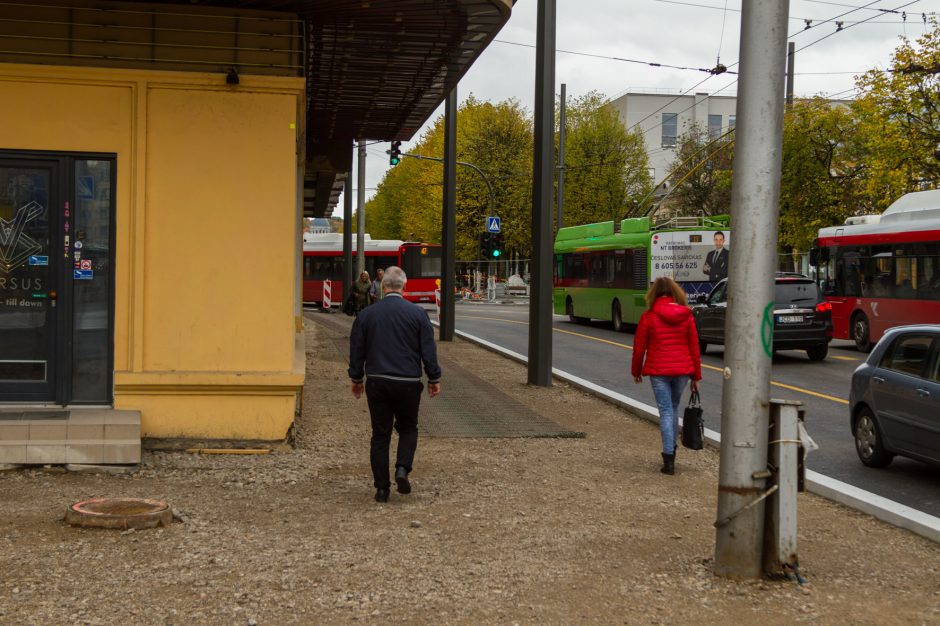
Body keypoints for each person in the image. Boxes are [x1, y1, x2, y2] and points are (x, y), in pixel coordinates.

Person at [348, 266, 442, 502]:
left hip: (378, 380)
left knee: (380, 434)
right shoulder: (418, 314)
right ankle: (402, 468)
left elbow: (357, 349)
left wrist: (357, 377)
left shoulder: (367, 314)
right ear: (404, 286)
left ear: (383, 286)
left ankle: (381, 489)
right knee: (409, 428)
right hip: (408, 381)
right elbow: (428, 349)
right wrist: (433, 377)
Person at [631, 276, 702, 475]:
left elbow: (639, 348)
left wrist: (636, 371)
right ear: (675, 292)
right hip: (682, 371)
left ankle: (668, 457)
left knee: (665, 411)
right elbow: (694, 347)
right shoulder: (686, 315)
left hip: (659, 370)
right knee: (673, 407)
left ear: (654, 293)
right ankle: (672, 451)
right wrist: (696, 376)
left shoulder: (649, 316)